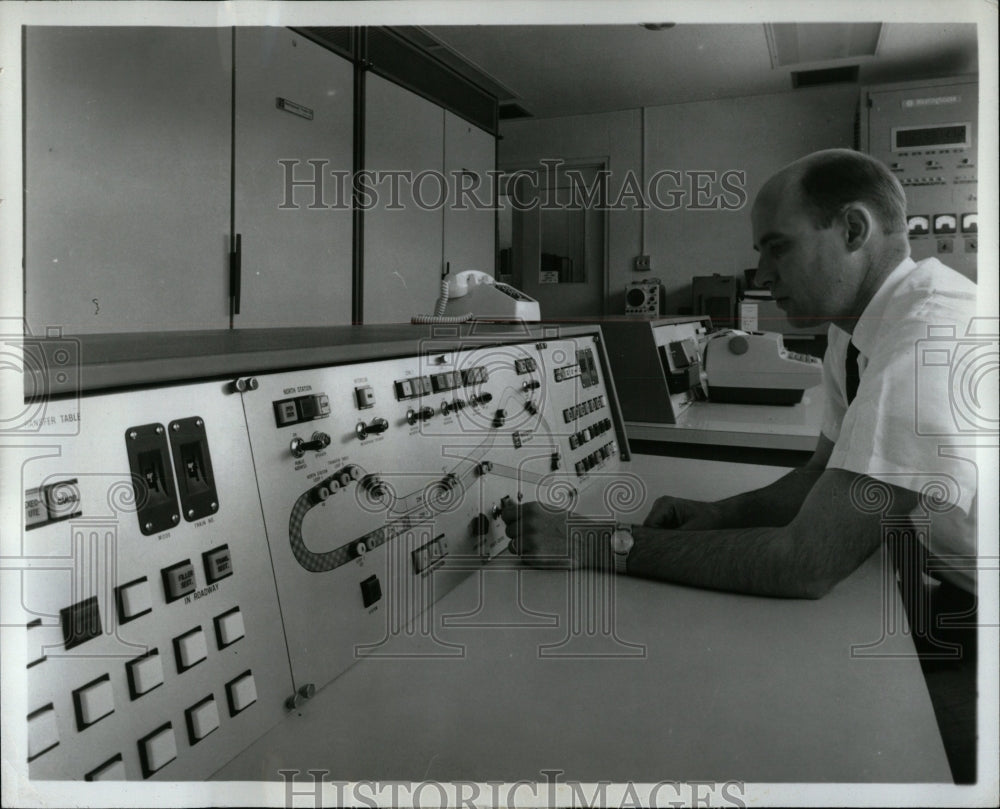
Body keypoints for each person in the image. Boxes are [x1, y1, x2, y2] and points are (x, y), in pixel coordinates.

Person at [501, 148, 980, 602]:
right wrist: (720, 513)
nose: (762, 275)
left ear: (853, 230)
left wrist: (592, 542)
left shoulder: (926, 334)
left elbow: (805, 563)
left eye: (778, 248)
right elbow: (820, 475)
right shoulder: (854, 329)